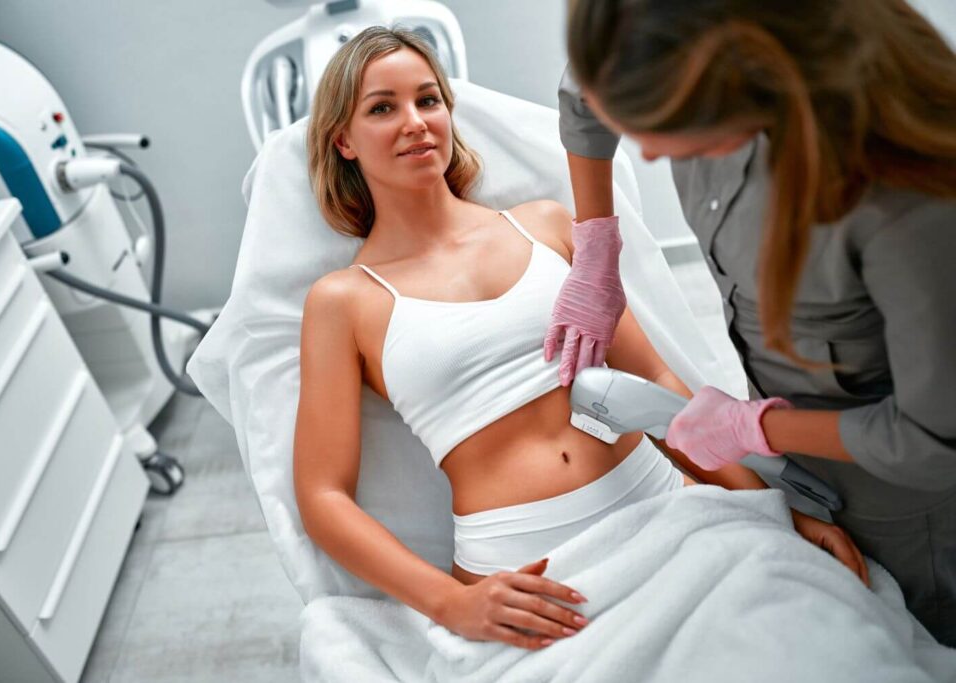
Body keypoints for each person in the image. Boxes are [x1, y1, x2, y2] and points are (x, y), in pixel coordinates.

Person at [294, 26, 866, 652]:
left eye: (428, 100)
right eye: (382, 108)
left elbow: (657, 385)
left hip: (669, 518)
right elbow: (322, 496)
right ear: (343, 140)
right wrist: (452, 604)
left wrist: (776, 511)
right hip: (529, 582)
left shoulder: (545, 227)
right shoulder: (342, 301)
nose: (415, 122)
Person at [555, 0, 956, 645]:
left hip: (904, 493)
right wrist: (597, 239)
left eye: (666, 127)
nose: (647, 152)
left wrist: (753, 427)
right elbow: (585, 93)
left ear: (740, 78)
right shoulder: (650, 37)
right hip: (789, 457)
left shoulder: (904, 201)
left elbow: (936, 441)